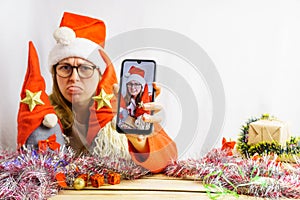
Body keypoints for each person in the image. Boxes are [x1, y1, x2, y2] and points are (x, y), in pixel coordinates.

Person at [46, 12, 177, 173]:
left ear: (100, 74)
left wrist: (139, 142)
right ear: (54, 73)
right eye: (65, 67)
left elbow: (169, 158)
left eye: (85, 68)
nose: (74, 77)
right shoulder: (44, 114)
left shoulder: (122, 107)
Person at [118, 66, 152, 130]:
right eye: (130, 84)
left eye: (136, 84)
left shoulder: (149, 99)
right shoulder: (125, 99)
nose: (133, 87)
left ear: (142, 86)